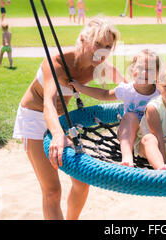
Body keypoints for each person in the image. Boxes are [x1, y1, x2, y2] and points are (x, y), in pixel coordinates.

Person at [12, 19, 122, 220]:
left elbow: (132, 89)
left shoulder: (98, 66)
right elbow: (49, 103)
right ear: (82, 39)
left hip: (61, 121)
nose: (103, 51)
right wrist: (57, 134)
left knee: (81, 183)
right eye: (98, 44)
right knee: (52, 191)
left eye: (108, 46)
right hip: (34, 119)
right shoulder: (56, 62)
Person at [70, 51, 166, 168]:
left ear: (158, 76)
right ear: (132, 70)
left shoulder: (162, 89)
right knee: (130, 118)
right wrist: (80, 88)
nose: (145, 73)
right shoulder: (127, 90)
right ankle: (128, 157)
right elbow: (104, 94)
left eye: (150, 70)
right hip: (143, 142)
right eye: (141, 68)